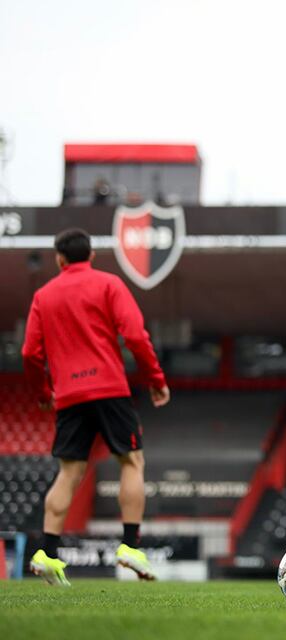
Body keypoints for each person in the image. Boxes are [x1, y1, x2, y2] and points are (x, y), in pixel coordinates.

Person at [21, 228, 170, 586]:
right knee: (131, 461)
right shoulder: (108, 284)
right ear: (90, 255)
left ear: (60, 259)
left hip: (69, 395)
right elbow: (135, 334)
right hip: (108, 388)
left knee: (69, 472)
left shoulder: (44, 295)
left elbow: (29, 352)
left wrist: (44, 392)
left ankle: (48, 554)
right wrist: (155, 379)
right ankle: (129, 546)